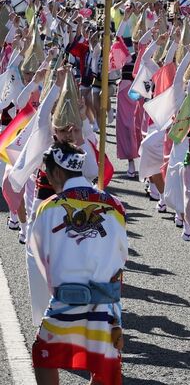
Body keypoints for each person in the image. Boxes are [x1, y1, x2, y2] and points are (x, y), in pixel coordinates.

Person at [28, 141, 128, 385]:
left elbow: (38, 256)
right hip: (106, 300)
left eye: (48, 174)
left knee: (44, 356)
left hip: (66, 298)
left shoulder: (49, 207)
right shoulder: (114, 206)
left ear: (59, 173)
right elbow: (122, 255)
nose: (48, 179)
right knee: (104, 365)